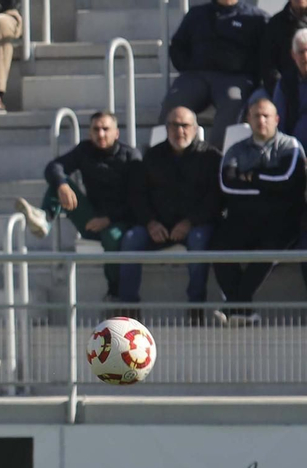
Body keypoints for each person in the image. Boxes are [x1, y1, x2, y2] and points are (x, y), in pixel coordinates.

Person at [15, 111, 139, 298]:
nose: (101, 134)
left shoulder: (131, 156)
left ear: (117, 133)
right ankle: (44, 217)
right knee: (60, 185)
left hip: (120, 221)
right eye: (96, 129)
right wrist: (62, 184)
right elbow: (54, 167)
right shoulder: (85, 150)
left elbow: (137, 201)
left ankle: (114, 291)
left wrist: (108, 219)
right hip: (91, 218)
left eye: (106, 129)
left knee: (112, 238)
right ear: (89, 133)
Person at [213, 97, 306, 325]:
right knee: (219, 243)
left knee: (270, 247)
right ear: (248, 119)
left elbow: (289, 180)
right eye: (256, 115)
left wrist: (251, 177)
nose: (261, 120)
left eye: (266, 116)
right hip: (245, 220)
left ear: (277, 119)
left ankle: (236, 304)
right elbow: (228, 185)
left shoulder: (289, 146)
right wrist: (269, 188)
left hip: (282, 221)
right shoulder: (236, 149)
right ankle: (243, 311)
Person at [120, 106, 222, 311]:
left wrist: (190, 222)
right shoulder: (152, 157)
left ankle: (196, 307)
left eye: (185, 125)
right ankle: (128, 308)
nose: (179, 130)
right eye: (174, 125)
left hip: (195, 225)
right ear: (167, 129)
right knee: (131, 239)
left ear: (194, 128)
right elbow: (137, 195)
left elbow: (216, 198)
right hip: (157, 226)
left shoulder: (211, 157)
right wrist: (150, 222)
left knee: (199, 241)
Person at [163, 0, 267, 129]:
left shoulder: (256, 18)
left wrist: (250, 75)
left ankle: (220, 149)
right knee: (174, 102)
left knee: (233, 104)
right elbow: (177, 46)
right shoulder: (196, 14)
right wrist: (188, 67)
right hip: (195, 76)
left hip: (235, 79)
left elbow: (266, 55)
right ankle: (163, 147)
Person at [260, 0, 307, 97]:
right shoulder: (275, 23)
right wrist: (280, 87)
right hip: (282, 87)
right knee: (259, 105)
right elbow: (268, 63)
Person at [272, 29, 307, 143]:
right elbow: (278, 120)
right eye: (301, 52)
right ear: (293, 54)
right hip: (293, 147)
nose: (305, 56)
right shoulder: (285, 83)